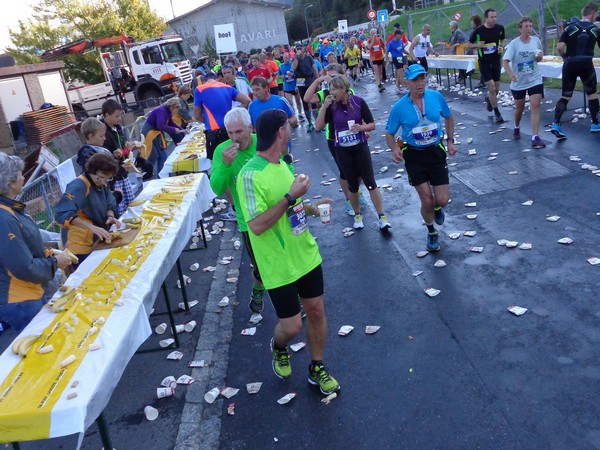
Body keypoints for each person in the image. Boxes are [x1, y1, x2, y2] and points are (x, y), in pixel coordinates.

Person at [236, 109, 340, 396]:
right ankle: (279, 346)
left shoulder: (283, 163)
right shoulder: (249, 175)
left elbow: (290, 206)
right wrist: (291, 196)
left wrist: (312, 208)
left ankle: (317, 367)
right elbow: (257, 225)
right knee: (292, 326)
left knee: (316, 310)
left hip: (305, 253)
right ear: (280, 132)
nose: (292, 131)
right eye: (289, 127)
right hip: (277, 263)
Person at [384, 65, 457, 252]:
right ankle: (431, 232)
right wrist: (394, 149)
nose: (420, 83)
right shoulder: (399, 107)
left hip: (436, 152)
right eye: (415, 80)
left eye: (422, 78)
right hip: (414, 155)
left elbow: (449, 118)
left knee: (442, 200)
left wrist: (450, 141)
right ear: (406, 83)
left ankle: (438, 208)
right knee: (427, 201)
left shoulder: (436, 97)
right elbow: (389, 134)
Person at [0, 154, 71, 333]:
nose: (23, 177)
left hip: (30, 292)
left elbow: (24, 246)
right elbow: (24, 267)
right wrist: (55, 263)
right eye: (20, 174)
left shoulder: (11, 209)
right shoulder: (4, 218)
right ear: (10, 182)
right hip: (21, 300)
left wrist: (48, 253)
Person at [210, 108, 269, 313]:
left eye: (239, 132)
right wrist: (225, 166)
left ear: (250, 128)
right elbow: (216, 188)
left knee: (284, 259)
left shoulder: (263, 142)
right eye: (230, 133)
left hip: (275, 212)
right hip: (248, 221)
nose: (234, 138)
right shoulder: (222, 151)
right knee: (261, 268)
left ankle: (293, 300)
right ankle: (258, 289)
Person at [315, 75, 391, 231]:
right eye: (330, 89)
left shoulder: (358, 102)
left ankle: (382, 217)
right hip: (342, 150)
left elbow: (372, 124)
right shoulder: (331, 106)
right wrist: (324, 107)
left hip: (360, 147)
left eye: (334, 89)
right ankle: (357, 215)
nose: (331, 92)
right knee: (353, 185)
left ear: (344, 89)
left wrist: (362, 128)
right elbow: (318, 127)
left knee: (370, 181)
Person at [55, 153, 120, 264]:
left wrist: (110, 216)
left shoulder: (102, 182)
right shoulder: (79, 185)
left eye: (107, 179)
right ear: (93, 171)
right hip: (79, 244)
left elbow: (109, 200)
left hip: (96, 238)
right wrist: (92, 227)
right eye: (101, 178)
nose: (104, 182)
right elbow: (63, 214)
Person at [550, 2, 600, 138]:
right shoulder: (595, 29)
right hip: (586, 64)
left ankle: (556, 124)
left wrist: (565, 57)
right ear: (593, 14)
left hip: (570, 63)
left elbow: (560, 47)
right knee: (592, 94)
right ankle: (595, 123)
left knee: (566, 95)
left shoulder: (570, 27)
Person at [502, 17, 546, 148]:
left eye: (530, 26)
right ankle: (516, 126)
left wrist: (539, 58)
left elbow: (539, 58)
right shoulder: (514, 44)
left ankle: (535, 137)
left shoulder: (536, 41)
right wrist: (511, 74)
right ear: (520, 29)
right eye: (526, 26)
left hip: (535, 79)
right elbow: (505, 62)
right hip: (519, 81)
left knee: (535, 105)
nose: (529, 29)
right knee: (519, 108)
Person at [193, 72, 251, 160]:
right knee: (236, 158)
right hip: (229, 130)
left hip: (214, 132)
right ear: (217, 79)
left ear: (205, 81)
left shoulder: (200, 89)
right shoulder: (228, 87)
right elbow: (247, 100)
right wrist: (237, 116)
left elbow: (197, 115)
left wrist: (207, 122)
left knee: (216, 160)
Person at [468, 9, 506, 124]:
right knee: (491, 87)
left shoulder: (500, 28)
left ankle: (489, 99)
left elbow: (503, 39)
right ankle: (497, 113)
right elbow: (468, 44)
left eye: (495, 17)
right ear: (486, 18)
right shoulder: (478, 31)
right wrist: (477, 45)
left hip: (496, 60)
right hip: (484, 62)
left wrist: (502, 47)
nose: (494, 19)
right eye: (492, 17)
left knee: (496, 89)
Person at [100, 99, 136, 214]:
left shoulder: (118, 128)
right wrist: (126, 151)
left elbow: (122, 146)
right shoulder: (104, 133)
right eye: (116, 116)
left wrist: (130, 147)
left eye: (120, 115)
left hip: (124, 172)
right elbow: (109, 156)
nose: (119, 118)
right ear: (107, 115)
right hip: (115, 175)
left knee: (131, 201)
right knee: (120, 206)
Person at [141, 97, 186, 175]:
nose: (177, 111)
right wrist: (174, 129)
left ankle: (163, 174)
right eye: (176, 109)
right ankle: (162, 175)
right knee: (161, 155)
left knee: (162, 155)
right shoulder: (161, 111)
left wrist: (182, 129)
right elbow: (160, 126)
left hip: (155, 132)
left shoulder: (167, 111)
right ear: (171, 107)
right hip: (150, 133)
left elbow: (171, 123)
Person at [291, 45, 318, 132]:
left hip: (310, 79)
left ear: (303, 49)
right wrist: (296, 57)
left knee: (313, 101)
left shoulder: (308, 57)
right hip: (301, 81)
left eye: (300, 48)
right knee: (305, 102)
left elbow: (314, 69)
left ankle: (317, 122)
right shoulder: (295, 59)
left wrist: (317, 80)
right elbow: (294, 67)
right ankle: (310, 123)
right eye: (297, 49)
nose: (299, 50)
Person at [278, 52, 305, 119]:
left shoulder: (293, 64)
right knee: (290, 102)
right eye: (284, 57)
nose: (285, 59)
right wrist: (282, 76)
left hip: (295, 86)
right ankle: (293, 116)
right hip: (287, 87)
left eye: (287, 57)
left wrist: (292, 75)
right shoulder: (281, 66)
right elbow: (278, 75)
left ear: (290, 57)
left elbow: (299, 74)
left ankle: (300, 114)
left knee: (298, 101)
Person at [387, 30, 410, 94]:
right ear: (396, 35)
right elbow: (387, 52)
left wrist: (409, 54)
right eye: (400, 35)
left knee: (400, 73)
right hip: (395, 58)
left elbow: (402, 49)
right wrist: (387, 61)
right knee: (401, 72)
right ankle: (404, 88)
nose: (401, 36)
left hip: (401, 57)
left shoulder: (400, 41)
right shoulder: (391, 43)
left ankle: (397, 87)